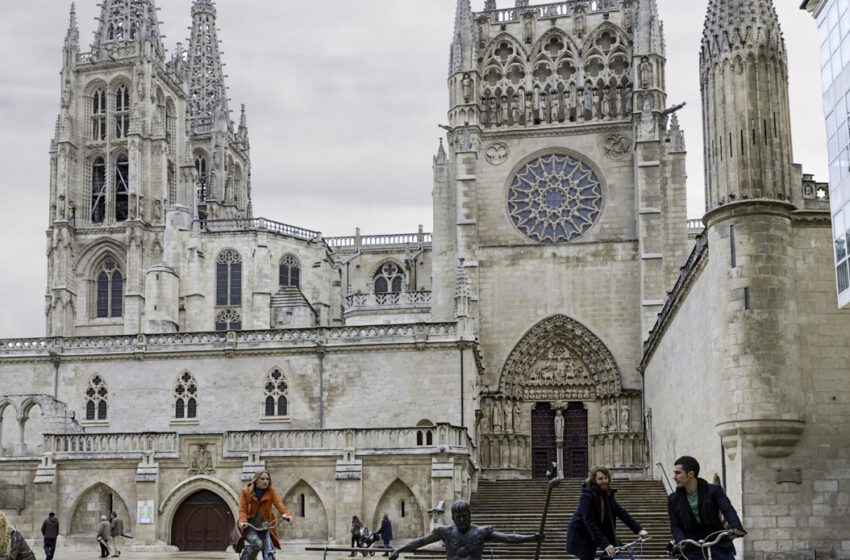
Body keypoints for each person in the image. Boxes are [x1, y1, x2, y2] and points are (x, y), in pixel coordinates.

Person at [389, 500, 542, 560]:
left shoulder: (480, 533)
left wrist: (532, 538)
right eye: (458, 517)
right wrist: (398, 550)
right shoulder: (446, 532)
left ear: (470, 515)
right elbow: (420, 541)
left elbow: (509, 538)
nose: (461, 520)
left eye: (464, 516)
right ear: (453, 518)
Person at [667, 456, 745, 560]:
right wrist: (681, 540)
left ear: (690, 474)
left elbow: (727, 509)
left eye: (678, 473)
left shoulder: (714, 491)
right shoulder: (673, 499)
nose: (674, 477)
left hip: (717, 542)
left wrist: (736, 527)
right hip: (691, 545)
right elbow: (675, 525)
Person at [566, 466, 648, 560]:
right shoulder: (587, 496)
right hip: (583, 535)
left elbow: (622, 513)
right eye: (600, 479)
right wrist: (605, 544)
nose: (604, 481)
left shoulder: (607, 494)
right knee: (588, 556)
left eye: (606, 478)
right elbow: (590, 523)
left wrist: (638, 529)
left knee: (615, 548)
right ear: (594, 480)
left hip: (599, 532)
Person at [238, 470, 293, 560]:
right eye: (262, 479)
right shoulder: (246, 492)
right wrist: (243, 521)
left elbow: (279, 503)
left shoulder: (271, 492)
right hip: (250, 526)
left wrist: (286, 514)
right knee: (257, 544)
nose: (265, 481)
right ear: (256, 480)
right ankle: (246, 558)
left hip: (265, 526)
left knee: (269, 553)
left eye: (267, 479)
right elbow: (242, 509)